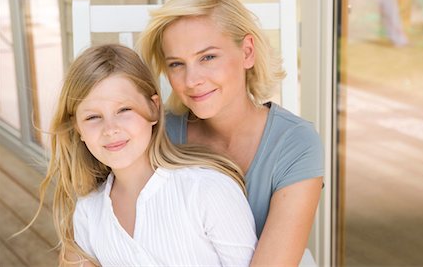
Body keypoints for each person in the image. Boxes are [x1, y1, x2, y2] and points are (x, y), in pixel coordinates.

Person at [138, 0, 325, 266]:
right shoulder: (155, 134)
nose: (192, 80)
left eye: (208, 57)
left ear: (247, 52)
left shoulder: (295, 143)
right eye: (177, 64)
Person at [27, 44, 257, 266]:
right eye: (93, 117)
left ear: (153, 108)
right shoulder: (89, 211)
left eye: (124, 110)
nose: (111, 129)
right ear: (78, 129)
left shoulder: (207, 190)